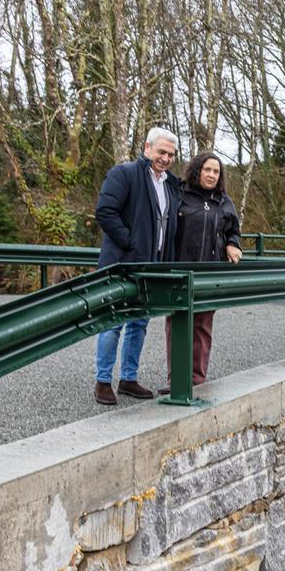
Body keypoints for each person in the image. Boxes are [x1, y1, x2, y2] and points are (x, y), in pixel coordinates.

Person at [92, 126, 182, 405]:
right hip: (122, 264)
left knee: (139, 323)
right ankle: (103, 381)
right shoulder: (125, 174)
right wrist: (131, 242)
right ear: (147, 148)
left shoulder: (171, 184)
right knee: (112, 322)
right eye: (161, 152)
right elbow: (105, 212)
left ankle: (128, 378)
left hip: (153, 266)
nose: (166, 158)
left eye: (171, 154)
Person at [158, 152, 242, 393]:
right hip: (181, 271)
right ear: (197, 171)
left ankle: (196, 380)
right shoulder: (180, 195)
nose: (212, 175)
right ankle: (176, 380)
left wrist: (232, 244)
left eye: (216, 172)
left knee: (203, 326)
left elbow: (233, 230)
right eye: (207, 170)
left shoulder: (223, 201)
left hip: (210, 273)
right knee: (176, 324)